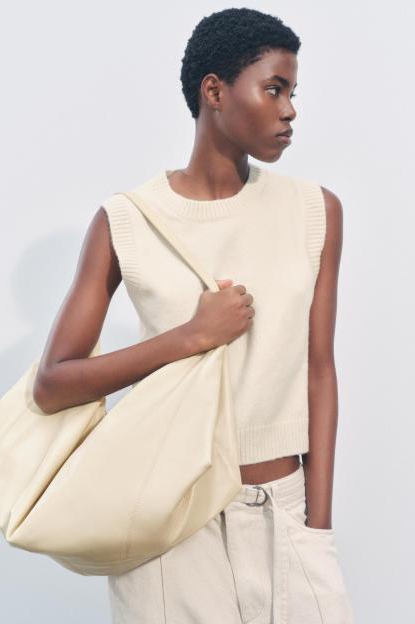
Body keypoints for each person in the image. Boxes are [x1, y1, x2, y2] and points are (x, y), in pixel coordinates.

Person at [33, 7, 355, 624]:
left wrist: (316, 528)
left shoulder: (316, 210)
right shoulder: (128, 220)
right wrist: (191, 336)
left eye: (292, 92)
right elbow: (54, 384)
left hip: (285, 513)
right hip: (170, 526)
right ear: (214, 91)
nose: (290, 109)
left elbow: (320, 371)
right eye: (274, 89)